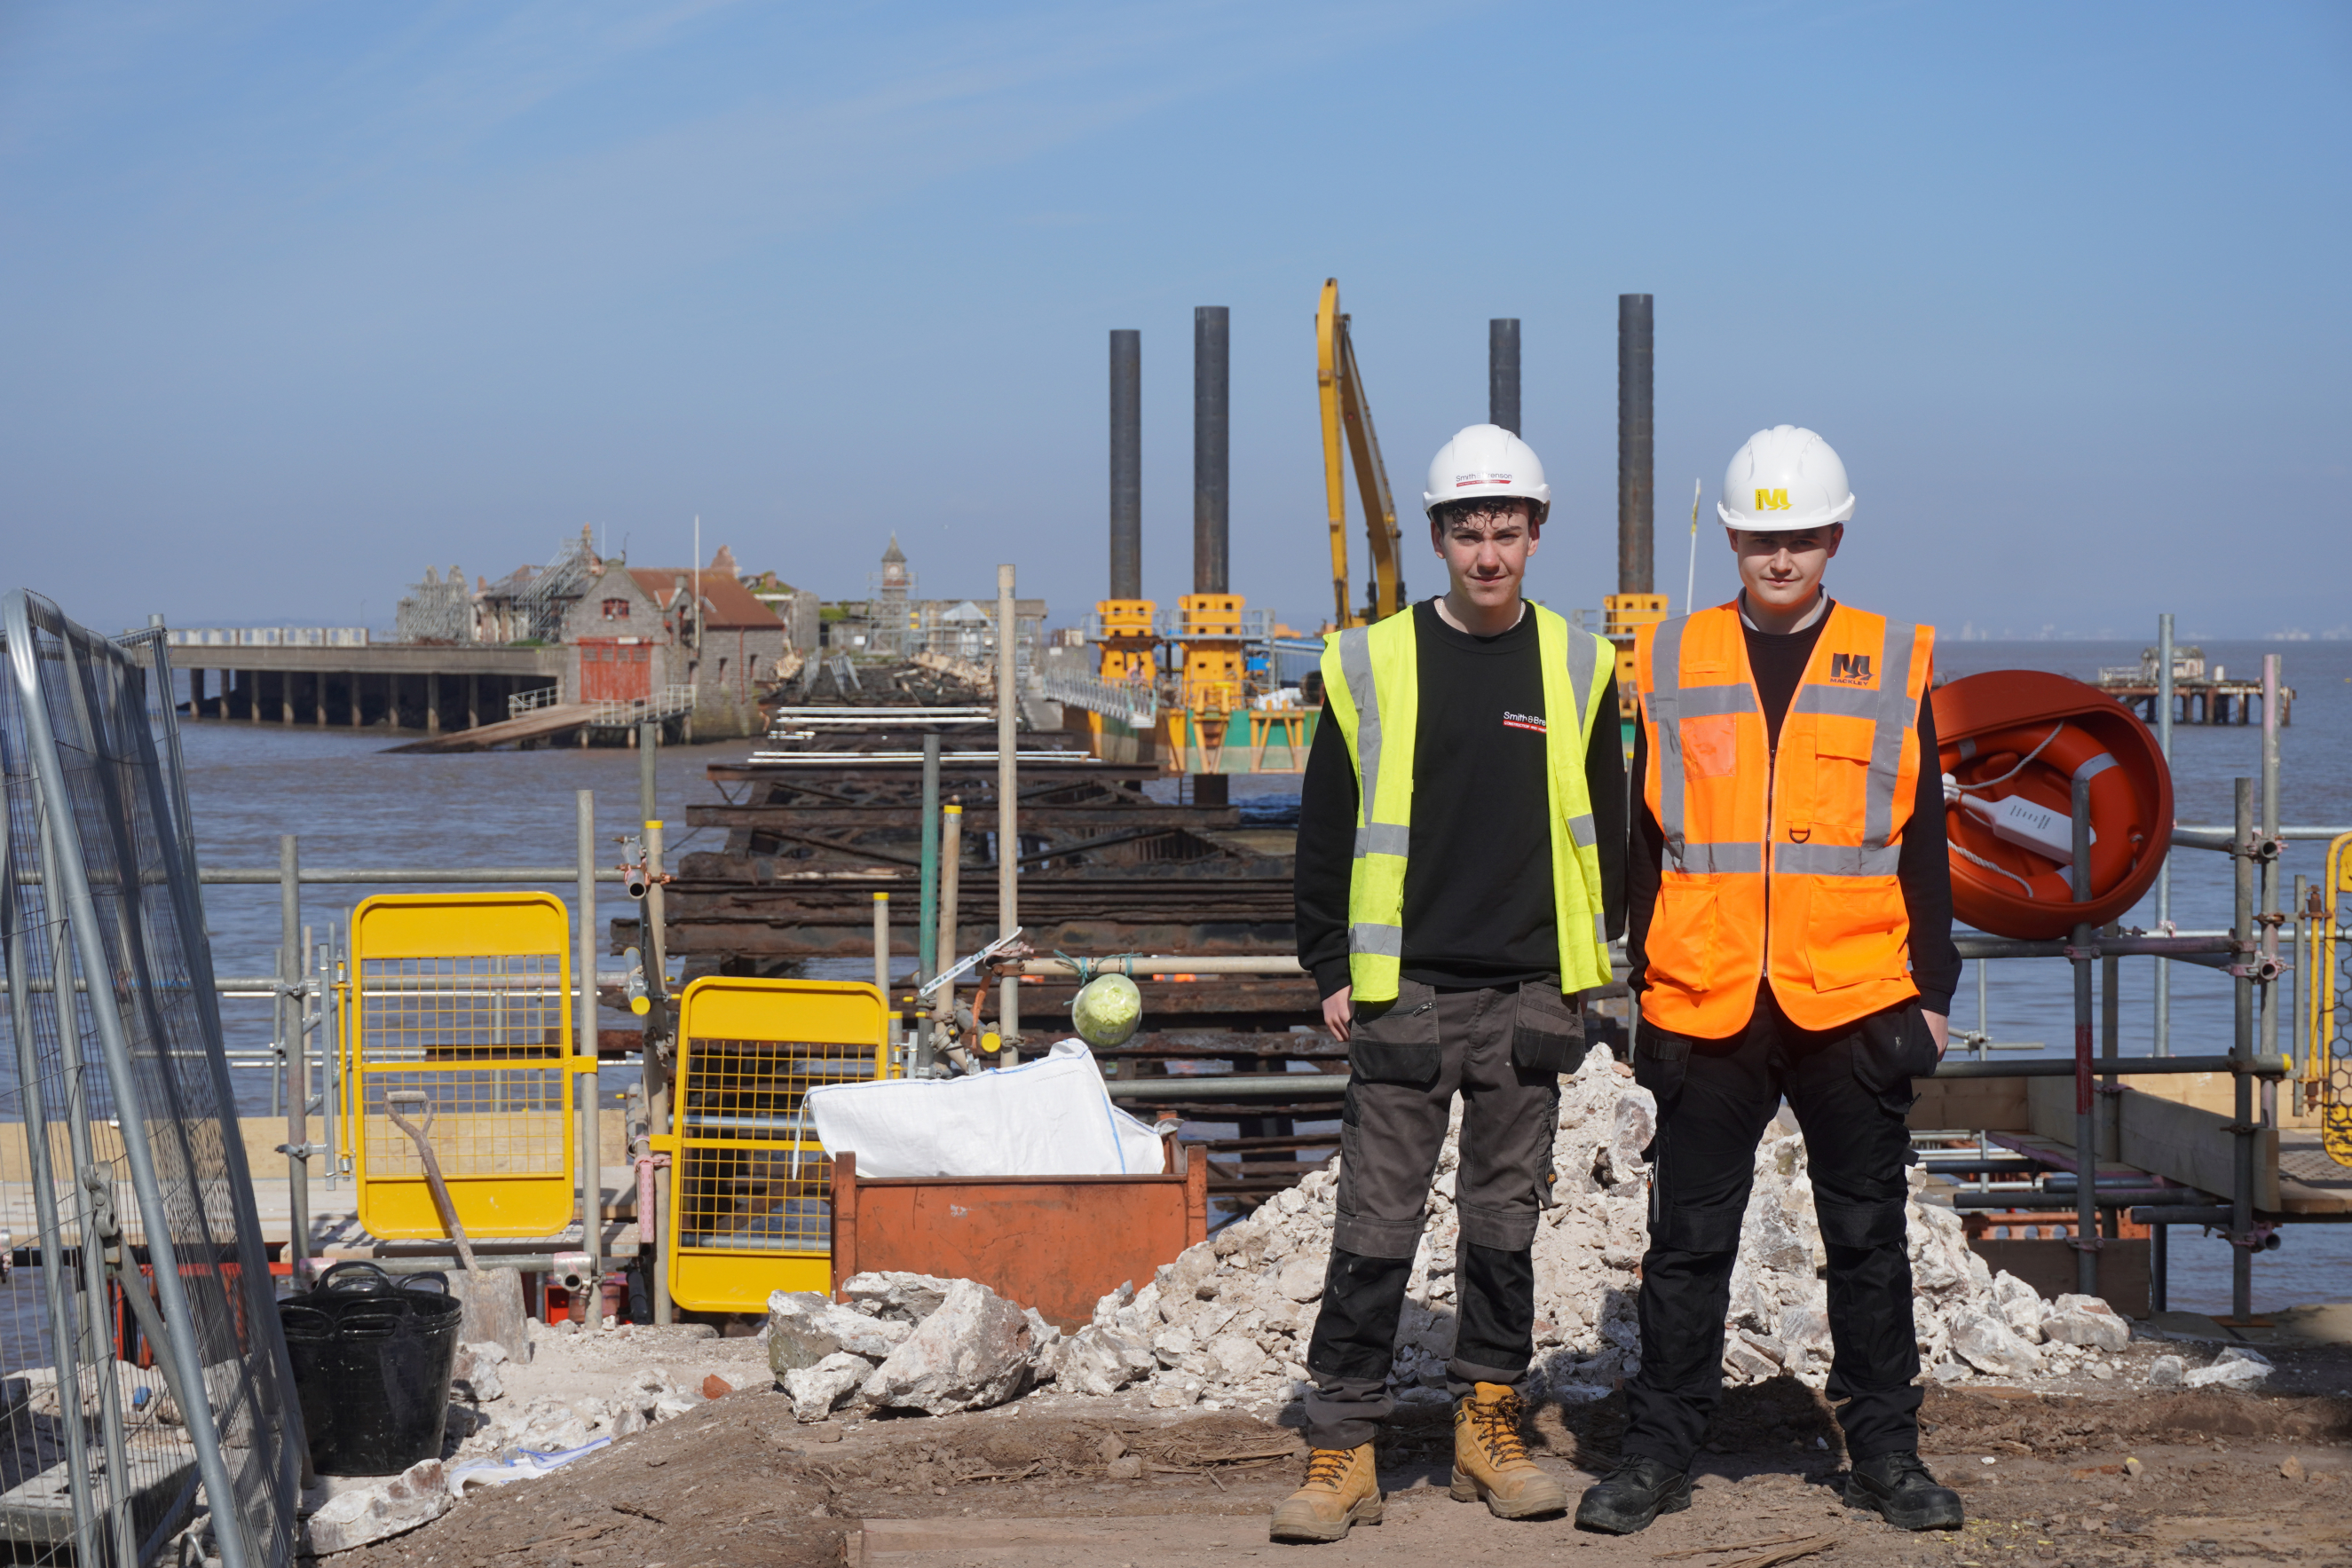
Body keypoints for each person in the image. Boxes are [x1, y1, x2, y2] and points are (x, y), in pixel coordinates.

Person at [1575, 425, 1966, 1536]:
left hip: (1852, 997)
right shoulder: (1668, 656)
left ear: (1833, 538)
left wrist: (1931, 992)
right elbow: (1637, 844)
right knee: (1688, 1242)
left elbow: (1926, 843)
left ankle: (1887, 1452)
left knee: (1867, 1239)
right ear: (1735, 539)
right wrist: (1649, 980)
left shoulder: (1892, 657)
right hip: (1705, 999)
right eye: (1760, 538)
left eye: (1798, 538)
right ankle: (1659, 1452)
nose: (1778, 558)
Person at [1274, 424, 1624, 1545]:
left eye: (1505, 530)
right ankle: (1344, 1447)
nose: (1487, 552)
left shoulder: (1579, 662)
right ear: (1436, 538)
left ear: (1536, 532)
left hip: (1531, 988)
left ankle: (1486, 1417)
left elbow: (1609, 829)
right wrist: (1329, 961)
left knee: (1503, 1226)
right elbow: (1326, 827)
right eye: (1467, 531)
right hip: (1403, 988)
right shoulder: (1371, 660)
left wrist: (1598, 966)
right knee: (1374, 1225)